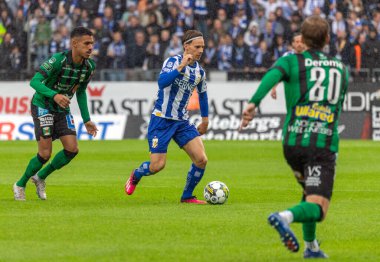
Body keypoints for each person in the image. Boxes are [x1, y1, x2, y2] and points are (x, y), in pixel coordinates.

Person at [240, 16, 349, 258]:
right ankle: (283, 217)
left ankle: (311, 248)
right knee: (318, 207)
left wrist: (252, 104)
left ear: (303, 38)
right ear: (328, 39)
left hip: (292, 142)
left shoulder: (290, 61)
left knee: (309, 192)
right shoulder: (341, 69)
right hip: (321, 144)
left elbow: (271, 75)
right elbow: (337, 105)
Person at [13, 26, 98, 201]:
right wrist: (55, 95)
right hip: (42, 105)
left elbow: (81, 92)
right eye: (86, 43)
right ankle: (20, 184)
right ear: (74, 43)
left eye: (92, 43)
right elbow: (34, 82)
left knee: (72, 149)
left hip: (62, 109)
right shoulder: (58, 60)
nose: (91, 47)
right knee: (44, 154)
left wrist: (87, 120)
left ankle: (40, 177)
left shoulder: (89, 66)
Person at [125, 30, 209, 204]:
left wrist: (205, 119)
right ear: (186, 46)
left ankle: (187, 196)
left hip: (182, 122)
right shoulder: (172, 62)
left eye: (203, 47)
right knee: (157, 166)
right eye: (197, 46)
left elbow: (203, 95)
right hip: (161, 120)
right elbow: (162, 82)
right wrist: (181, 67)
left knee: (201, 159)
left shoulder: (200, 72)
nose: (201, 50)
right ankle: (136, 174)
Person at [270, 33, 306, 99]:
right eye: (297, 42)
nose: (299, 44)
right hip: (292, 90)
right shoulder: (287, 56)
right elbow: (279, 72)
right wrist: (274, 87)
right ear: (293, 44)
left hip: (306, 90)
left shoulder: (309, 56)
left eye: (301, 42)